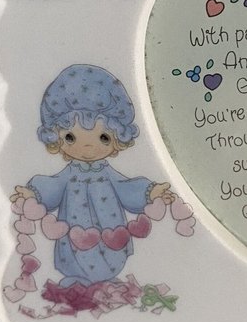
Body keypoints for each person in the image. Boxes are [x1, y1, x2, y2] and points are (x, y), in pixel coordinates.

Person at [10, 64, 174, 288]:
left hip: (111, 228)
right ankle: (75, 279)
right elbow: (53, 186)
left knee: (112, 247)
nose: (87, 148)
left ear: (119, 136)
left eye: (103, 137)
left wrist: (151, 193)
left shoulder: (108, 175)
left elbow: (126, 187)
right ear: (55, 136)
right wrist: (33, 195)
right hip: (73, 235)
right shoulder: (68, 176)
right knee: (74, 250)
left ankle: (109, 279)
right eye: (70, 137)